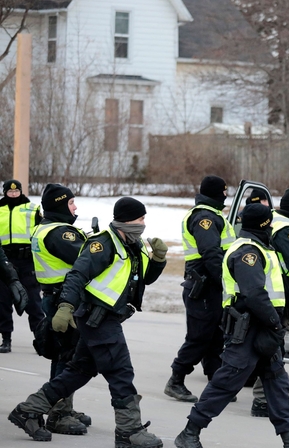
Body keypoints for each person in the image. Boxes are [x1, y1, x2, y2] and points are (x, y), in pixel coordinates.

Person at [8, 197, 168, 447]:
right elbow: (77, 274)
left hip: (108, 317)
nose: (143, 223)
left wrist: (158, 259)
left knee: (78, 370)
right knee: (120, 372)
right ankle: (129, 431)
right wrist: (65, 306)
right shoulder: (103, 244)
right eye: (140, 218)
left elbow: (142, 278)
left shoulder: (132, 245)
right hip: (97, 319)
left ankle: (28, 409)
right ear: (126, 220)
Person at [175, 204, 289, 448]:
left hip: (263, 326)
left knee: (276, 382)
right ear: (265, 225)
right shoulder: (248, 252)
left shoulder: (260, 248)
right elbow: (254, 294)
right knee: (227, 382)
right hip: (250, 327)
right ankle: (190, 432)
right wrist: (275, 324)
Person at [165, 175, 236, 403]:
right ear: (218, 193)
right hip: (204, 285)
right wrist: (226, 282)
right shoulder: (205, 217)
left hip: (208, 285)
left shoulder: (212, 215)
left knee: (215, 335)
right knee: (200, 336)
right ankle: (176, 380)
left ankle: (217, 383)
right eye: (224, 191)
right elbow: (211, 254)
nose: (226, 195)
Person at [30, 184, 90, 435]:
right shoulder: (60, 233)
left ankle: (64, 404)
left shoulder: (45, 228)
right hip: (64, 300)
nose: (75, 207)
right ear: (60, 204)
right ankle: (58, 412)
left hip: (56, 297)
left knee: (65, 354)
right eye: (71, 203)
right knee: (67, 357)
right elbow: (87, 260)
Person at [251, 187, 289, 418]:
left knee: (273, 346)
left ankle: (272, 397)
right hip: (277, 293)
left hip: (271, 292)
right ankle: (263, 400)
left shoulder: (276, 222)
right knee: (272, 347)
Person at [0, 179, 44, 352]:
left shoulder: (32, 209)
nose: (13, 194)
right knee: (3, 302)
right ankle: (6, 339)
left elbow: (41, 232)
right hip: (3, 261)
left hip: (26, 261)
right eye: (10, 192)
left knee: (33, 302)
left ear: (20, 191)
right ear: (5, 192)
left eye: (16, 191)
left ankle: (41, 339)